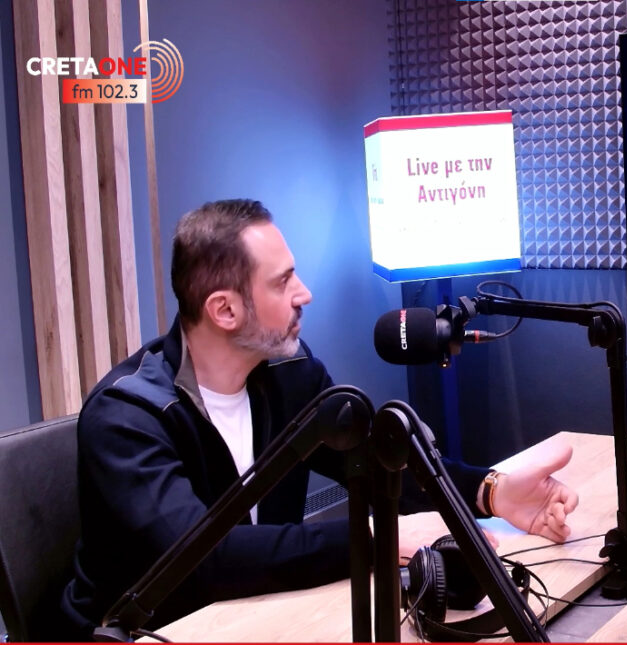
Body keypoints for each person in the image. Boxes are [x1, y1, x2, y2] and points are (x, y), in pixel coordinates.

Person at [59, 199, 579, 638]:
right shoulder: (129, 417)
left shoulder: (291, 374)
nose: (303, 293)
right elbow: (200, 561)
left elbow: (382, 463)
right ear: (225, 310)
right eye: (282, 282)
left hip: (258, 614)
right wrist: (375, 540)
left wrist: (490, 492)